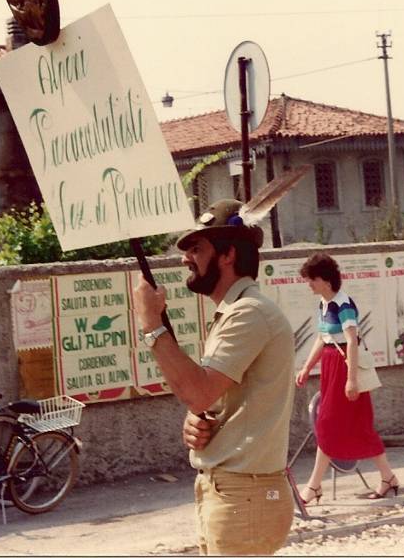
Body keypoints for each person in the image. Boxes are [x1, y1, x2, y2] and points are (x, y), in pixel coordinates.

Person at [132, 198, 295, 555]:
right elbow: (211, 398)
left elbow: (198, 392)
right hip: (234, 492)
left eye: (196, 248)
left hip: (245, 495)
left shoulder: (248, 313)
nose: (185, 258)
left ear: (228, 255)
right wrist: (198, 419)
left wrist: (151, 324)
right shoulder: (238, 312)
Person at [293, 252, 400, 504]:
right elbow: (322, 338)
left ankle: (313, 486)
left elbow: (352, 341)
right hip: (331, 368)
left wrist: (351, 380)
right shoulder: (323, 304)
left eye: (312, 279)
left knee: (327, 424)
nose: (308, 284)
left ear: (326, 280)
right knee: (356, 425)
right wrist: (307, 367)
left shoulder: (343, 304)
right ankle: (388, 478)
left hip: (344, 368)